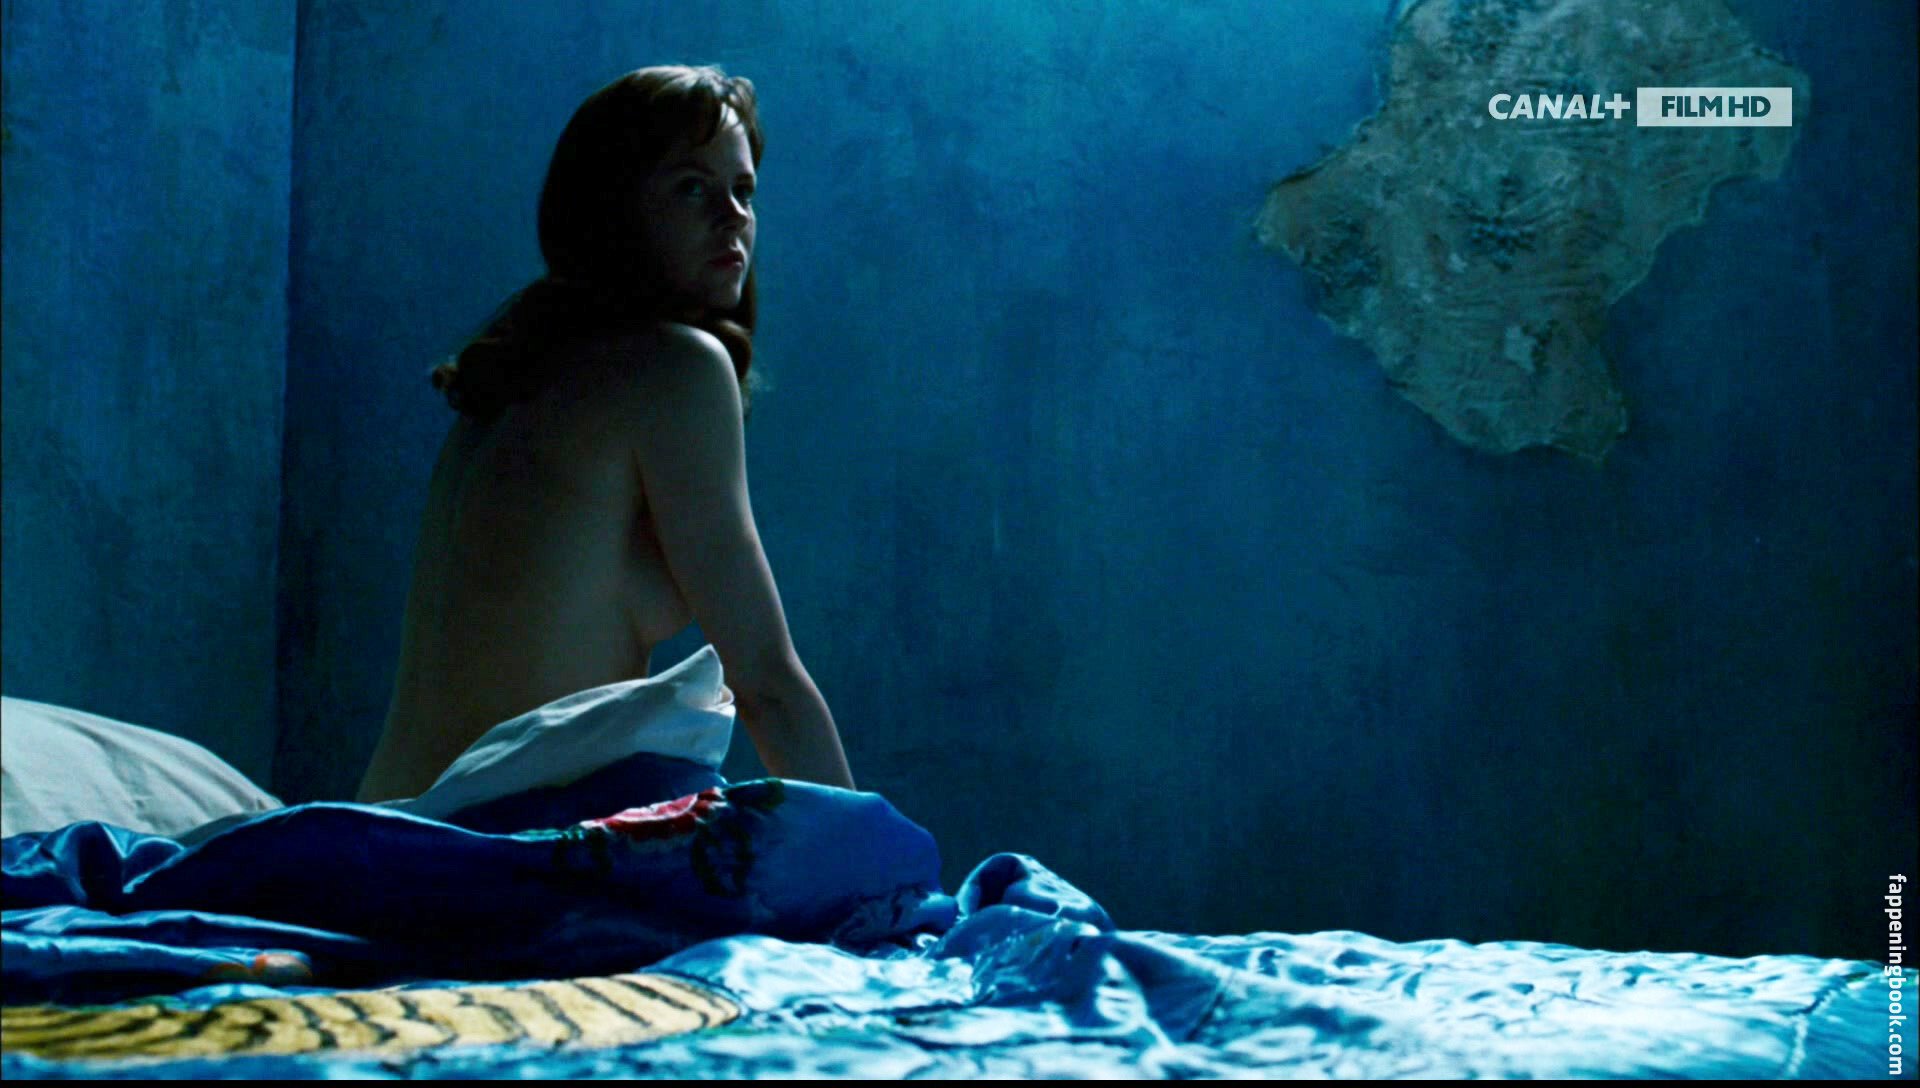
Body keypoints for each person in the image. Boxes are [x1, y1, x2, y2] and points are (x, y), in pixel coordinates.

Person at [355, 65, 854, 804]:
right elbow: (766, 683)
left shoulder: (514, 380)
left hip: (387, 826)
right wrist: (881, 869)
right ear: (614, 211)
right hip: (491, 849)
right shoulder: (677, 368)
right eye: (692, 188)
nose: (733, 217)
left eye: (743, 191)